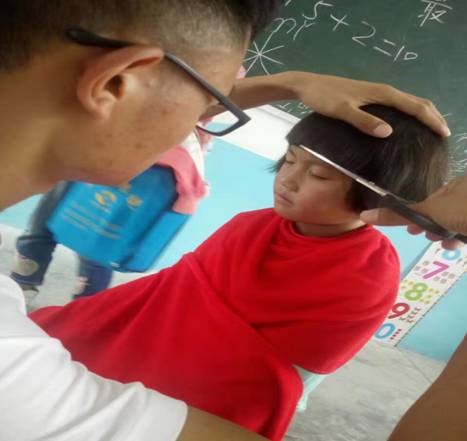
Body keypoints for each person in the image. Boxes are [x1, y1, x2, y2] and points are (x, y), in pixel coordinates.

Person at [0, 0, 453, 440]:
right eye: (290, 160)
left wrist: (292, 83)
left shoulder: (366, 273)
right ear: (113, 82)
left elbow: (290, 369)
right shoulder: (23, 378)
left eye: (317, 174)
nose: (198, 127)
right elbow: (174, 298)